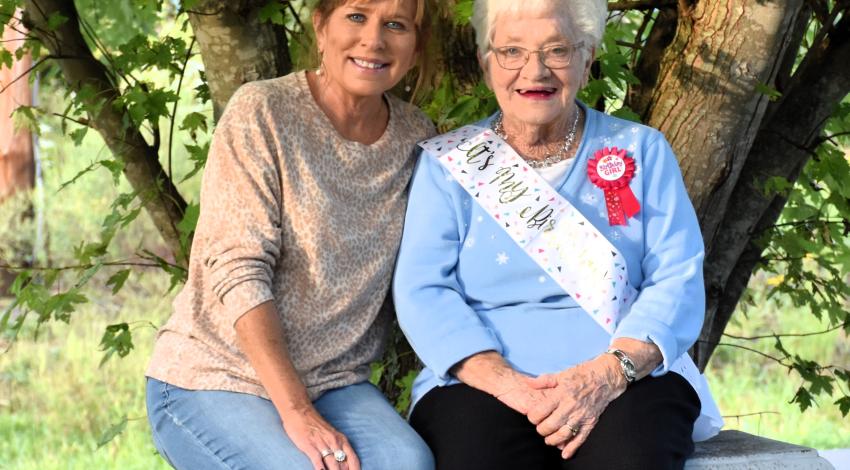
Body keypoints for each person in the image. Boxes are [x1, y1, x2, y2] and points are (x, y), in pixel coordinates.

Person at [393, 0, 723, 469]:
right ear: (488, 65)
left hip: (623, 379)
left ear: (587, 62)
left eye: (557, 50)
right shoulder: (451, 164)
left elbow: (677, 277)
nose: (535, 70)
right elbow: (423, 289)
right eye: (511, 51)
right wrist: (509, 384)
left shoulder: (640, 150)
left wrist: (607, 375)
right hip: (482, 382)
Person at [144, 1, 436, 469]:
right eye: (356, 16)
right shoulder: (263, 111)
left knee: (408, 463)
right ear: (321, 27)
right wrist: (297, 411)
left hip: (336, 383)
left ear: (415, 48)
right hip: (217, 375)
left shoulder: (415, 137)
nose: (374, 40)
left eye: (395, 25)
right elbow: (238, 270)